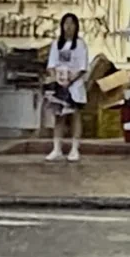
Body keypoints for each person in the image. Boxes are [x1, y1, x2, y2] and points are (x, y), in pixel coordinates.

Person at [44, 13, 89, 162]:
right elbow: (51, 65)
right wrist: (57, 78)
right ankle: (57, 148)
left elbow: (83, 67)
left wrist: (71, 80)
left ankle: (74, 149)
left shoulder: (80, 45)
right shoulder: (56, 44)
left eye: (72, 23)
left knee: (75, 115)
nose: (68, 27)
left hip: (74, 85)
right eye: (66, 23)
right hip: (59, 85)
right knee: (59, 116)